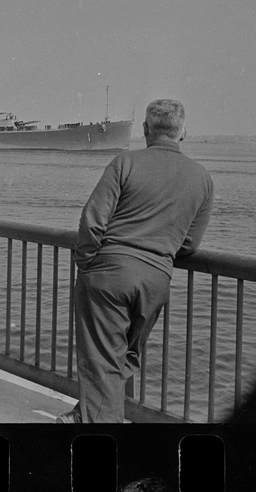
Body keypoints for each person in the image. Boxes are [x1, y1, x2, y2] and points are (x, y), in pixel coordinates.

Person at [57, 99, 214, 424]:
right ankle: (86, 415)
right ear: (183, 132)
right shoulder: (202, 179)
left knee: (102, 360)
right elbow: (189, 243)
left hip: (108, 275)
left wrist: (86, 263)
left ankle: (98, 427)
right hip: (156, 281)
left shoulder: (124, 162)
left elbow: (92, 221)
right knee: (124, 356)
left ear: (145, 130)